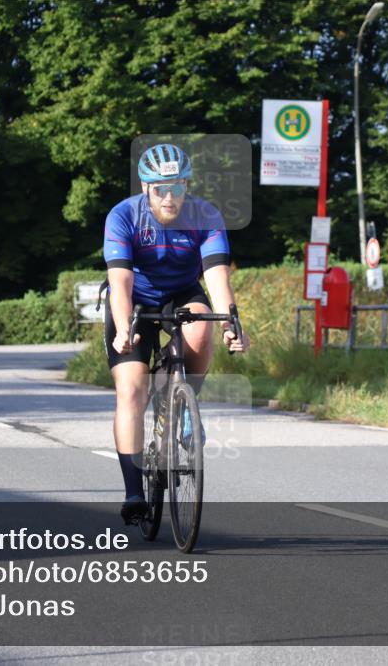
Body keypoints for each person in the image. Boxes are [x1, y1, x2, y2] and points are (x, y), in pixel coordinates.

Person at [103, 144, 249, 525]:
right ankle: (134, 491)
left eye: (178, 187)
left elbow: (218, 280)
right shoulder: (123, 216)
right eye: (160, 189)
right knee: (131, 388)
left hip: (182, 293)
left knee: (203, 327)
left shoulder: (205, 216)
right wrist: (123, 330)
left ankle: (183, 404)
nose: (170, 197)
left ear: (187, 185)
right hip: (135, 300)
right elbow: (119, 282)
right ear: (146, 187)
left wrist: (234, 324)